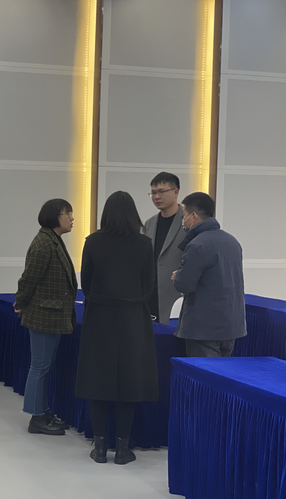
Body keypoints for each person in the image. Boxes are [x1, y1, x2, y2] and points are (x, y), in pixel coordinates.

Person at [76, 191, 158, 465]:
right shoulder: (144, 244)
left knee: (97, 381)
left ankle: (99, 448)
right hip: (133, 317)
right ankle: (123, 448)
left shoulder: (93, 242)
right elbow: (148, 285)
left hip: (99, 317)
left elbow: (86, 283)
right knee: (129, 382)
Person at [13, 199, 77, 436]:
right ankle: (36, 417)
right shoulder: (43, 243)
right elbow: (29, 279)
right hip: (43, 314)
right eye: (67, 214)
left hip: (52, 315)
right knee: (39, 366)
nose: (71, 218)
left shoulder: (53, 240)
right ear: (54, 217)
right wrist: (20, 302)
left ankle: (42, 410)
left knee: (44, 366)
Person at [173, 192, 246, 357]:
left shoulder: (197, 245)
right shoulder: (232, 241)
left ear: (193, 216)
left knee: (203, 372)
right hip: (231, 325)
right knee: (222, 372)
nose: (183, 221)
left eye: (184, 216)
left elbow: (184, 284)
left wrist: (178, 276)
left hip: (204, 327)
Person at [143, 172, 186, 324]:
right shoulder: (150, 223)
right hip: (151, 294)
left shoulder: (187, 221)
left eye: (161, 191)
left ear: (176, 192)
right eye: (153, 193)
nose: (156, 197)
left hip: (177, 296)